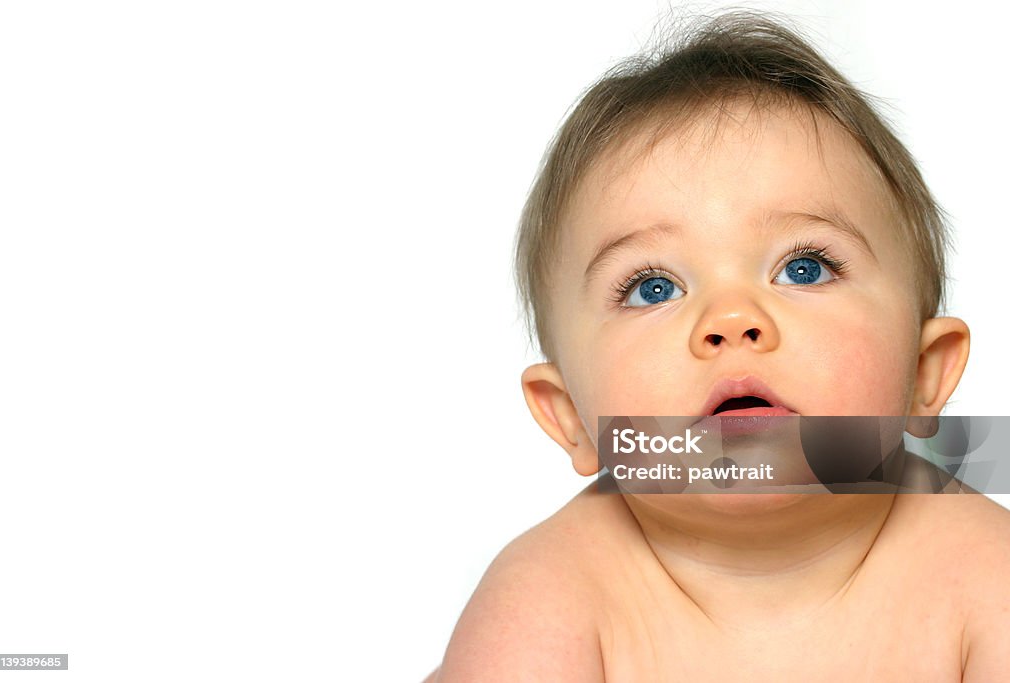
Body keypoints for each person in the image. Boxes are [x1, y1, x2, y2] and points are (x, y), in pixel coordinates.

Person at [426, 11, 1009, 681]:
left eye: (804, 267)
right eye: (652, 286)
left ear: (922, 373)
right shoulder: (546, 602)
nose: (731, 319)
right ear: (569, 416)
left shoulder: (988, 580)